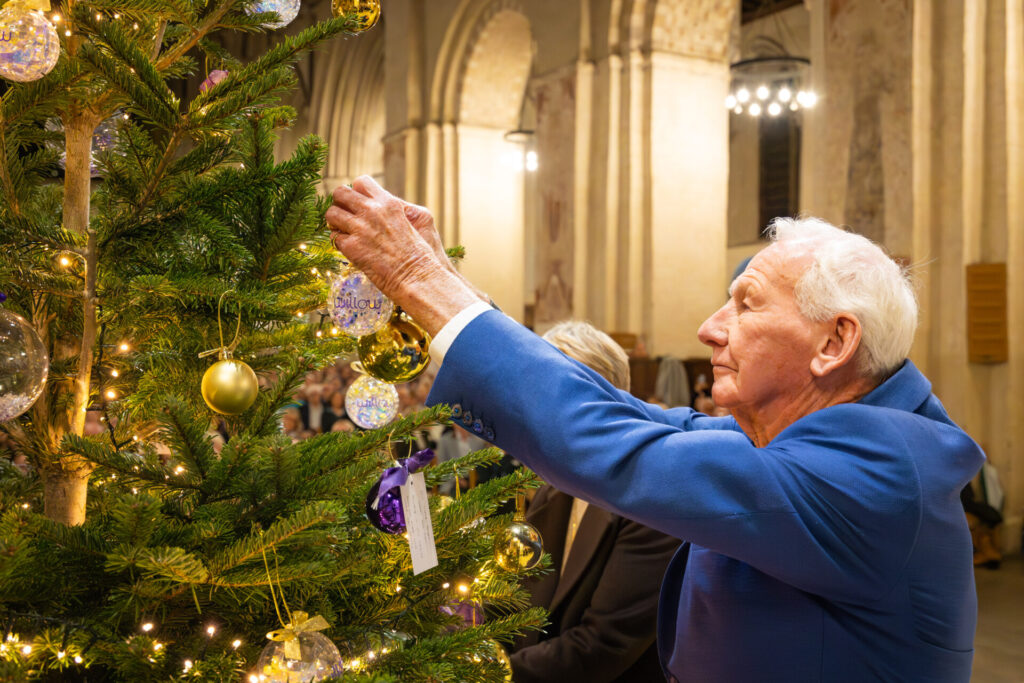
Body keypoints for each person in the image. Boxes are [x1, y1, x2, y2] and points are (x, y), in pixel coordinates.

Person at [326, 177, 984, 682]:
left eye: (746, 304)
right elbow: (627, 413)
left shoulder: (876, 470)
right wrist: (448, 284)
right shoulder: (806, 437)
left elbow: (618, 446)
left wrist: (419, 280)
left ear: (833, 342)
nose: (709, 328)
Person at [512, 320, 679, 683]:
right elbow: (524, 604)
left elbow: (602, 646)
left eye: (549, 397)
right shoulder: (555, 484)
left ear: (601, 401)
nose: (533, 413)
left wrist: (489, 673)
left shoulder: (650, 496)